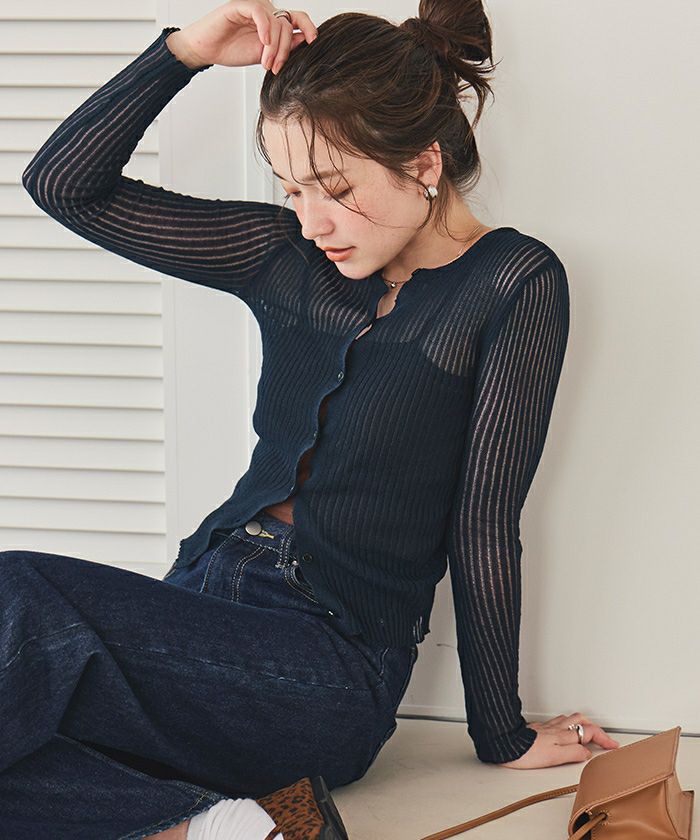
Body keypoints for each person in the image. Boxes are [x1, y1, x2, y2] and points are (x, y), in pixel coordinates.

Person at [10, 0, 620, 837]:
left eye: (334, 189)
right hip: (192, 619)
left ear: (423, 162)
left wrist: (500, 732)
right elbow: (64, 186)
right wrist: (186, 51)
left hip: (327, 670)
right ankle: (220, 829)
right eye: (291, 189)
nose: (310, 219)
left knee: (20, 593)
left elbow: (484, 519)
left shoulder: (510, 282)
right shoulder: (284, 256)